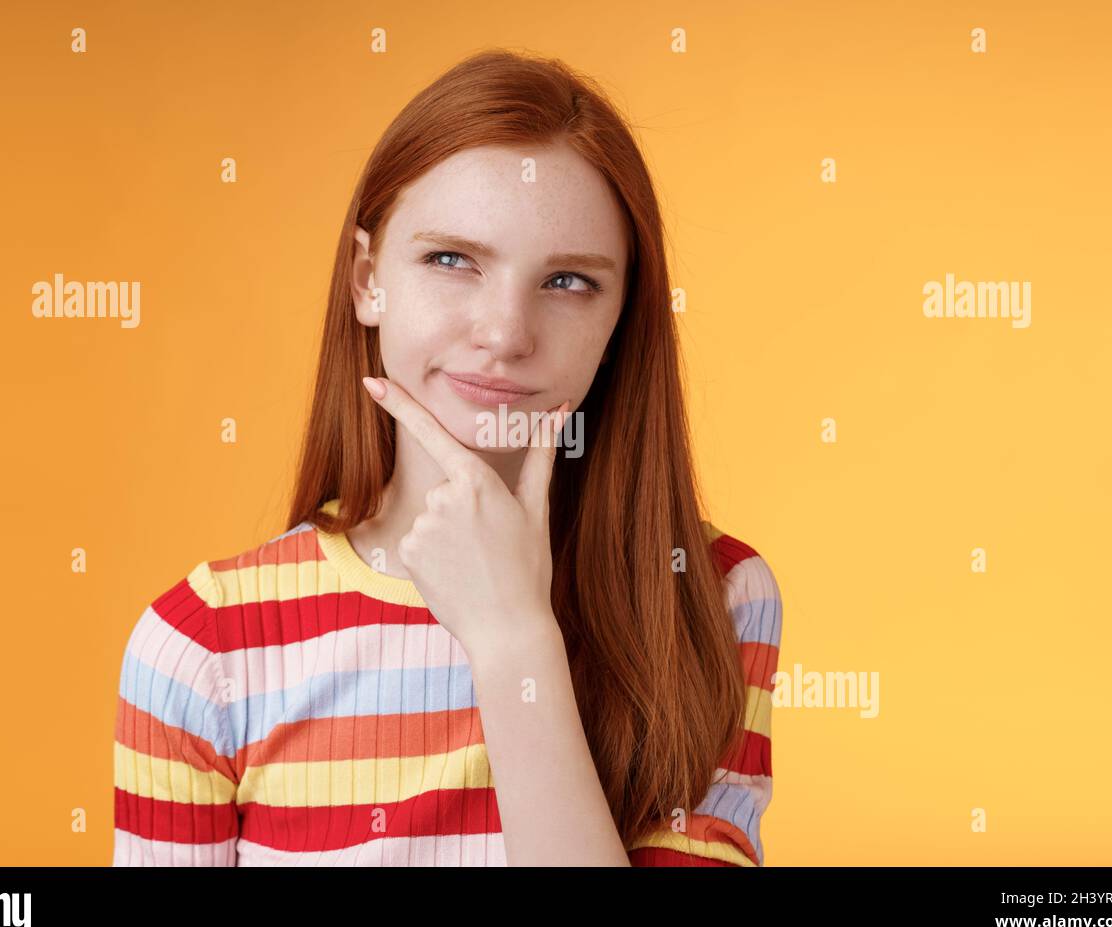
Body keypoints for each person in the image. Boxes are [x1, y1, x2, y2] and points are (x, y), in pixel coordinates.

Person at [112, 47, 782, 867]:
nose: (505, 334)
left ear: (620, 321)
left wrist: (514, 641)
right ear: (367, 279)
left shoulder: (713, 598)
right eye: (451, 260)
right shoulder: (204, 643)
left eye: (569, 281)